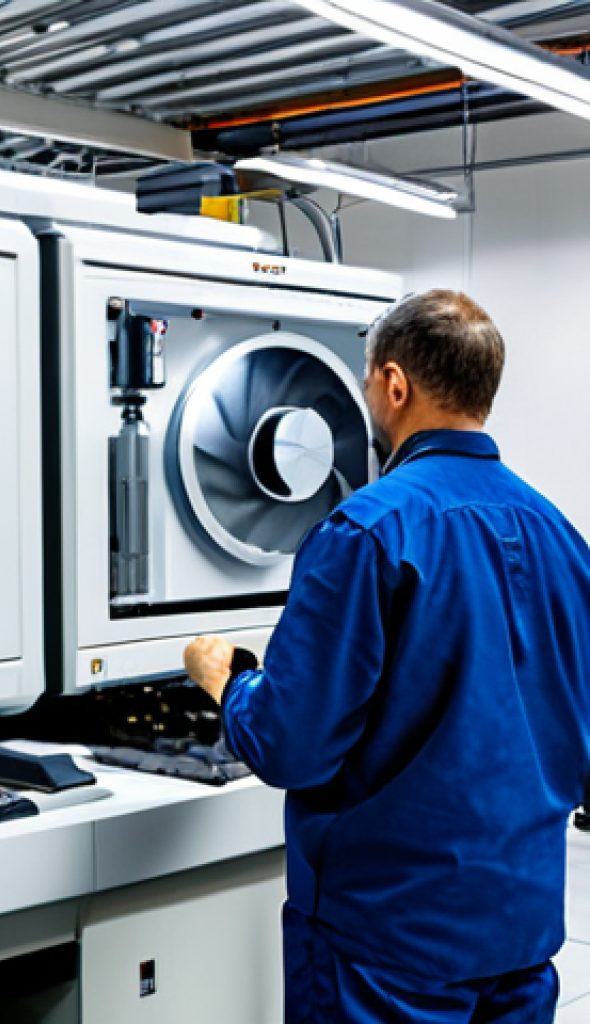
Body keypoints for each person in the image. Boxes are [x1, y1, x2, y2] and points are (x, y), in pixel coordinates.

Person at [184, 290, 590, 1023]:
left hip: (385, 943)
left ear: (394, 384)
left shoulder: (366, 533)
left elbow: (291, 745)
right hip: (521, 931)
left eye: (368, 378)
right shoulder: (561, 536)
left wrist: (229, 679)